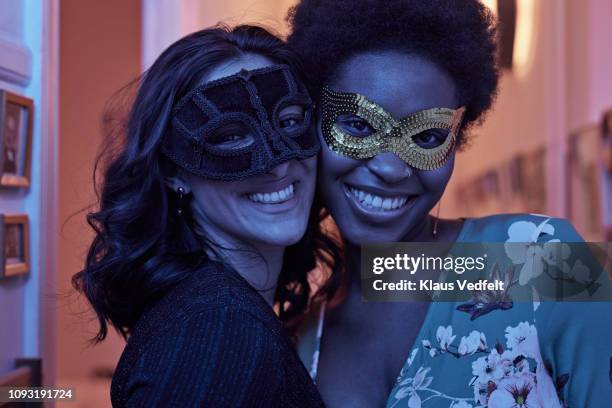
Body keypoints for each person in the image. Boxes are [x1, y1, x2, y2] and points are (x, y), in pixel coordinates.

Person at [287, 1, 612, 407]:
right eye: (358, 124)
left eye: (425, 137)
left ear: (457, 139)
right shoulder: (301, 335)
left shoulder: (543, 265)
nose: (390, 168)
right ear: (313, 122)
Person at [73, 25, 339, 407]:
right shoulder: (220, 327)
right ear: (172, 170)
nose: (278, 166)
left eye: (290, 121)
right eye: (230, 136)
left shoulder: (215, 311)